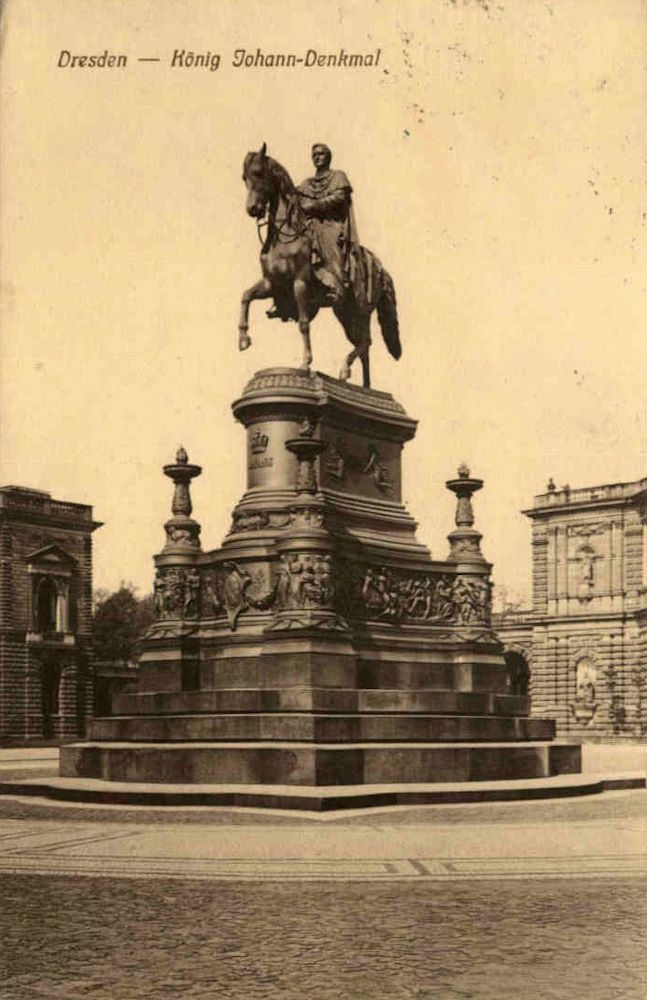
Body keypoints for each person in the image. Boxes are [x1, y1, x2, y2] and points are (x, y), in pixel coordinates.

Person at [297, 144, 367, 310]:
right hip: (309, 224)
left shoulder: (338, 176)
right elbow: (297, 199)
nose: (317, 157)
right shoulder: (306, 183)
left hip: (331, 223)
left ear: (328, 157)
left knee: (330, 242)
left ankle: (337, 285)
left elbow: (339, 197)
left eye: (321, 154)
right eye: (314, 155)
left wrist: (314, 205)